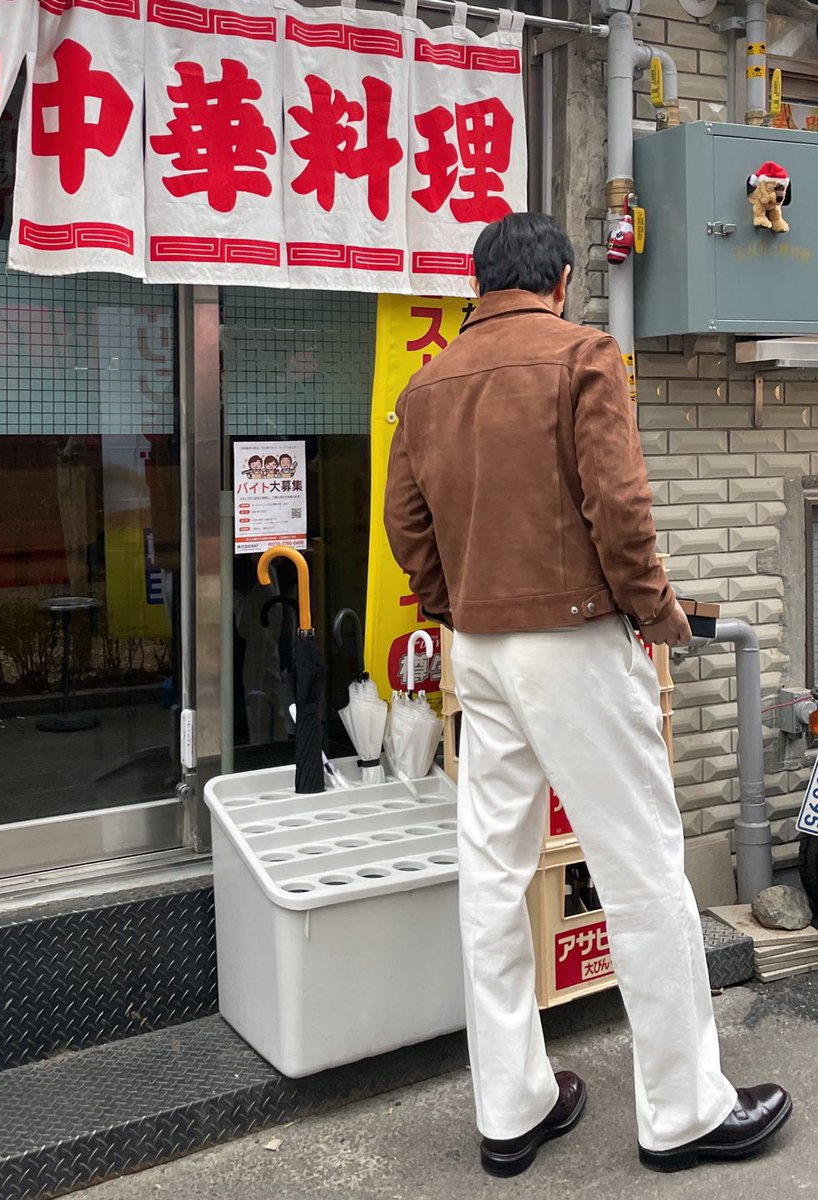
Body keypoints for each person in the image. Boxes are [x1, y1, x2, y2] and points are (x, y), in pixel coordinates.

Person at [384, 213, 791, 1178]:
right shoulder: (583, 355)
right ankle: (685, 1112)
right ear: (561, 279)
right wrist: (657, 614)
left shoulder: (428, 383)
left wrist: (459, 608)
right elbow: (621, 505)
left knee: (491, 876)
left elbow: (408, 528)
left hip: (477, 648)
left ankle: (512, 1109)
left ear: (478, 284)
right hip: (573, 643)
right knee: (642, 866)